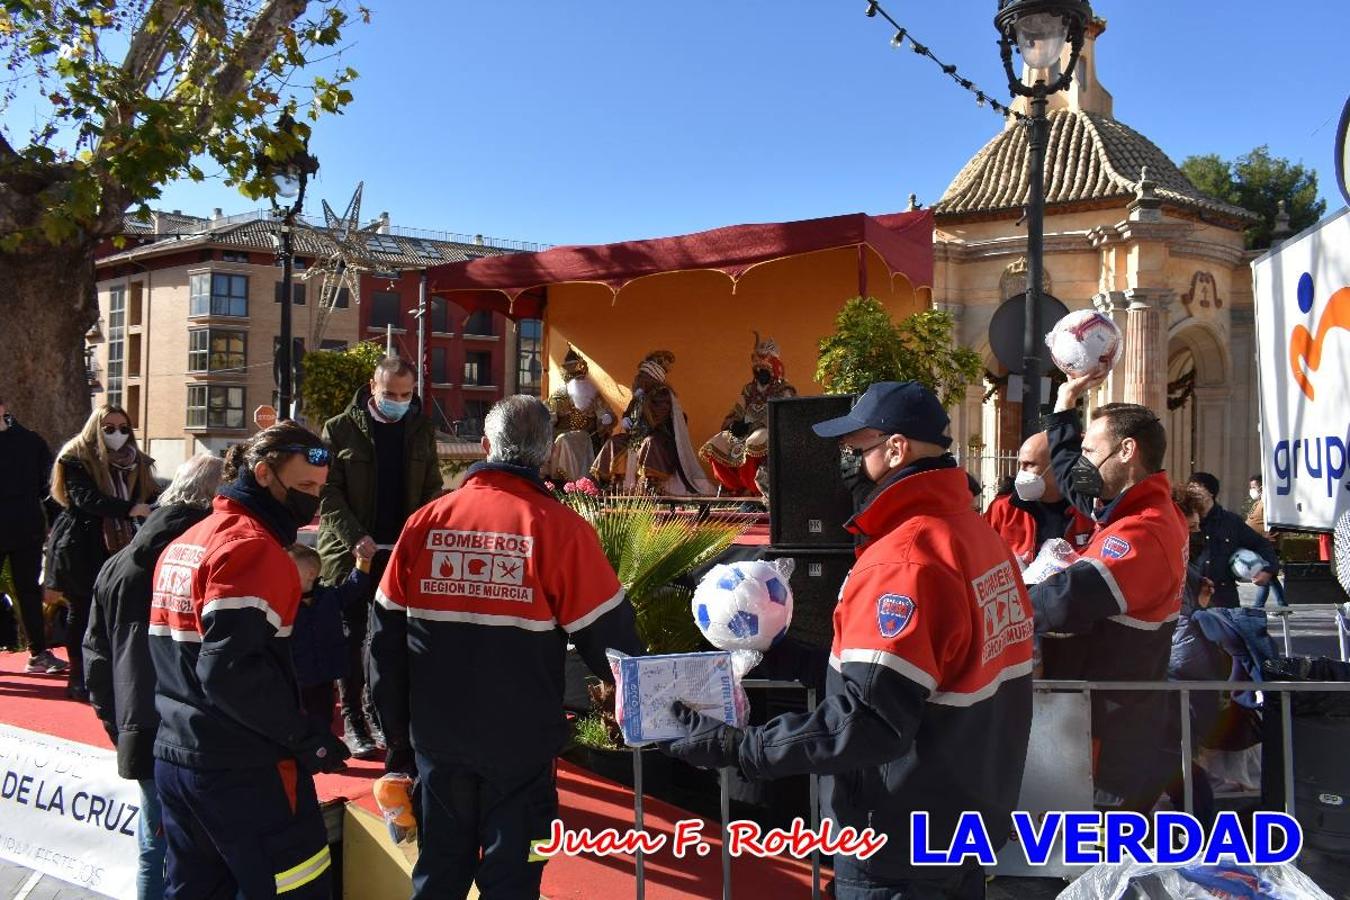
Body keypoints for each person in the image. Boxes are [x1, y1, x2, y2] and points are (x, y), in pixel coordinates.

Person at [661, 382, 1034, 899]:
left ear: (896, 449)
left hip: (897, 842)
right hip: (963, 824)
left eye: (855, 451)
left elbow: (869, 721)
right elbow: (921, 679)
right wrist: (796, 658)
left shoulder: (901, 560)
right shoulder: (977, 536)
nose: (845, 464)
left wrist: (736, 748)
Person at [369, 395, 644, 899]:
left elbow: (383, 645)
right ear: (545, 457)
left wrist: (399, 744)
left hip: (437, 741)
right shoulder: (563, 531)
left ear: (484, 445)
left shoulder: (425, 523)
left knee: (437, 875)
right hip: (522, 748)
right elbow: (615, 645)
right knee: (514, 882)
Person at [148, 423, 350, 899]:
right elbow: (230, 671)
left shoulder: (188, 540)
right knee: (296, 887)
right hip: (242, 768)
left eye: (319, 490)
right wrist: (305, 738)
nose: (312, 502)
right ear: (263, 474)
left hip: (178, 753)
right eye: (304, 488)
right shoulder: (253, 550)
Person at [1028, 375, 1188, 812]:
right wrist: (1064, 405)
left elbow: (1063, 601)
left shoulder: (1144, 529)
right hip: (1109, 713)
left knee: (1106, 850)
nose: (1082, 462)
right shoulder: (1130, 508)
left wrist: (1003, 601)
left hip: (1117, 724)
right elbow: (1071, 479)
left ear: (1127, 451)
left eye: (1091, 452)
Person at [84, 451, 224, 900]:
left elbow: (95, 656)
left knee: (154, 842)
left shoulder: (118, 563)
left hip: (140, 723)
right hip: (193, 729)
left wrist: (117, 722)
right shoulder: (207, 558)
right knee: (198, 851)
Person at [318, 356, 443, 760]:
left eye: (406, 395)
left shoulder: (421, 428)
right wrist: (355, 537)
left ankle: (378, 713)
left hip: (400, 550)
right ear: (373, 387)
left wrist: (418, 534)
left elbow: (432, 488)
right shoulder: (339, 429)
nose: (398, 401)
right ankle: (352, 716)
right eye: (390, 394)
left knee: (387, 639)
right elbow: (327, 492)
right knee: (352, 634)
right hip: (350, 551)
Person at [48, 405, 157, 700]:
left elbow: (152, 495)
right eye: (109, 428)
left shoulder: (139, 463)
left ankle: (111, 673)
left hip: (125, 545)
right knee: (81, 611)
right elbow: (86, 499)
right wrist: (129, 509)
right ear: (95, 428)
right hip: (82, 544)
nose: (117, 434)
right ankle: (77, 676)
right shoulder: (76, 459)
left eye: (123, 428)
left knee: (118, 612)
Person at [0, 395, 65, 673]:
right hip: (22, 525)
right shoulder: (31, 441)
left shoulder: (31, 442)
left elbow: (49, 488)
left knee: (28, 590)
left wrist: (56, 523)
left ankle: (38, 653)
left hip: (25, 528)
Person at [591, 350, 715, 495]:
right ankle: (611, 483)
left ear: (651, 377)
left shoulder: (662, 394)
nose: (638, 380)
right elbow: (630, 412)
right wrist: (625, 418)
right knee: (614, 442)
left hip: (660, 437)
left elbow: (655, 419)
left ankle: (651, 484)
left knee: (650, 443)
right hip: (635, 437)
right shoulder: (639, 395)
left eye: (642, 377)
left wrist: (643, 401)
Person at [286, 543, 367, 739]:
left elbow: (353, 589)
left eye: (289, 568)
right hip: (297, 675)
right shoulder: (284, 601)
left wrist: (364, 561)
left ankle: (325, 751)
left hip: (325, 673)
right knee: (297, 717)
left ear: (311, 574)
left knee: (323, 715)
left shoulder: (328, 596)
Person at [700, 333, 797, 495]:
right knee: (715, 444)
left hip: (770, 431)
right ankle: (735, 486)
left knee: (753, 443)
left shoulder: (784, 390)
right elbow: (737, 410)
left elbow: (785, 417)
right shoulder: (748, 389)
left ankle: (755, 487)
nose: (760, 372)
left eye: (765, 369)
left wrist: (756, 425)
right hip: (745, 429)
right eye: (757, 369)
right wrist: (733, 424)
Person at [1188, 472, 1279, 609]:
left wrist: (1267, 570)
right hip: (1191, 597)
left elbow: (1261, 544)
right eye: (1190, 488)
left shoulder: (1230, 522)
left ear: (1210, 492)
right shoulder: (1183, 520)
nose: (1192, 493)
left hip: (1223, 598)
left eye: (1196, 488)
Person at [544, 346, 616, 482]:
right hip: (562, 438)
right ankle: (562, 480)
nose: (581, 380)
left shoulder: (594, 395)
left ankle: (583, 481)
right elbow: (549, 419)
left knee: (568, 440)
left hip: (590, 438)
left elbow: (608, 415)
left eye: (583, 377)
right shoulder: (558, 396)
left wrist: (607, 418)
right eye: (577, 378)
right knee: (562, 441)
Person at [1245, 475, 1287, 608]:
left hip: (1267, 546)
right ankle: (1283, 605)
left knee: (1263, 576)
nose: (1251, 490)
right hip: (1258, 544)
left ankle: (1257, 608)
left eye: (1254, 487)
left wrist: (1266, 535)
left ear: (1262, 487)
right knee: (1271, 577)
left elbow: (1277, 523)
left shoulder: (1269, 503)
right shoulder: (1259, 503)